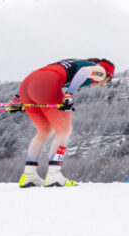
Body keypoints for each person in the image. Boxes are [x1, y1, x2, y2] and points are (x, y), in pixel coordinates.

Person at [13, 58, 115, 188]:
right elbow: (84, 72)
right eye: (108, 81)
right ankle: (53, 175)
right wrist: (69, 94)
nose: (103, 84)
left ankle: (29, 175)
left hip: (27, 87)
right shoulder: (101, 70)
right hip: (46, 84)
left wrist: (17, 97)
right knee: (64, 130)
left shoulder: (73, 62)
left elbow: (35, 73)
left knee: (44, 131)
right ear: (108, 74)